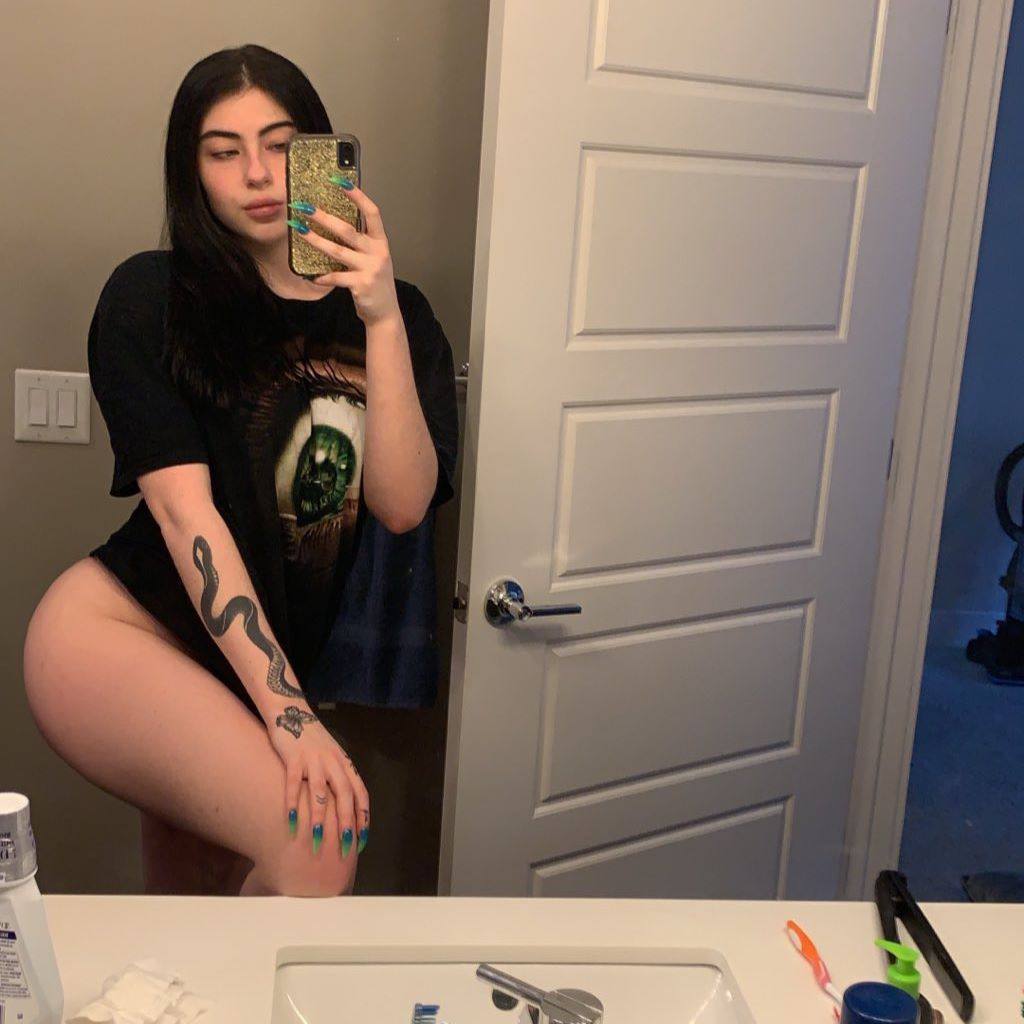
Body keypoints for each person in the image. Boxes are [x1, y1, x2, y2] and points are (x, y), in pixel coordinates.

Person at [21, 44, 459, 898]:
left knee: (200, 899)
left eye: (281, 144)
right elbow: (186, 517)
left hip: (252, 661)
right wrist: (292, 717)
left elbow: (403, 506)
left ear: (321, 151)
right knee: (320, 849)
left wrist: (380, 318)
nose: (257, 174)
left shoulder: (399, 314)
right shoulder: (151, 297)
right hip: (122, 634)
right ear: (191, 171)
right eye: (223, 151)